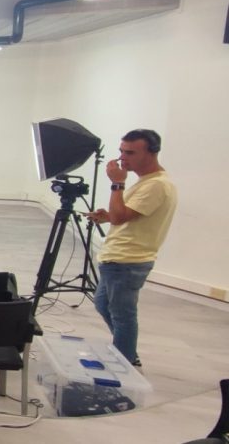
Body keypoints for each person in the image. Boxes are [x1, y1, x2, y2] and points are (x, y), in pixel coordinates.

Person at [84, 129, 177, 366]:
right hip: (118, 258)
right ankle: (125, 351)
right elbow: (127, 215)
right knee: (103, 304)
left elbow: (121, 217)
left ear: (152, 153)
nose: (122, 158)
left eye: (130, 153)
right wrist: (108, 216)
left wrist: (117, 183)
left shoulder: (156, 185)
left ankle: (124, 363)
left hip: (128, 261)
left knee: (122, 315)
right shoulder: (147, 182)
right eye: (121, 151)